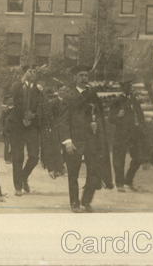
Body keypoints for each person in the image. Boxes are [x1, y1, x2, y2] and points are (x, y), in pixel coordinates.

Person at [58, 65, 111, 212]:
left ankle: (86, 201)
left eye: (86, 76)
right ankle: (74, 203)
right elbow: (63, 121)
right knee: (73, 174)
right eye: (81, 75)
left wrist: (96, 125)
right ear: (75, 78)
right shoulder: (68, 96)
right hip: (75, 141)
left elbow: (99, 114)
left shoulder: (92, 95)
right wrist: (67, 141)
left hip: (91, 140)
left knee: (94, 172)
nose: (84, 78)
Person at [8, 66, 44, 196]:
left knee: (34, 156)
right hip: (17, 125)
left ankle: (23, 176)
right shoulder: (17, 86)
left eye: (34, 71)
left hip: (32, 126)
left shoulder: (38, 89)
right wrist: (23, 116)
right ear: (24, 73)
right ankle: (18, 186)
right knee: (18, 157)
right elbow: (12, 100)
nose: (32, 73)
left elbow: (41, 105)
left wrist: (33, 116)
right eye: (30, 71)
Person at [110, 76, 146, 192]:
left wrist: (141, 126)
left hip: (134, 134)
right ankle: (119, 183)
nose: (130, 88)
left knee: (139, 157)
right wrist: (118, 116)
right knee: (119, 159)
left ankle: (128, 180)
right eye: (128, 86)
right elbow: (110, 118)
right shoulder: (117, 101)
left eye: (131, 86)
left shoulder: (133, 100)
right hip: (121, 134)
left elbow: (140, 115)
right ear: (123, 88)